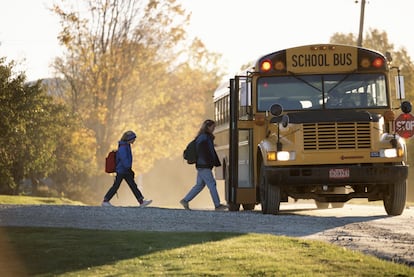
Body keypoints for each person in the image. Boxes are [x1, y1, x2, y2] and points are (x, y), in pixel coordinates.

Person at [180, 119, 228, 211]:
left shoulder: (202, 137)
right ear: (208, 127)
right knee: (212, 184)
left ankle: (185, 200)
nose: (214, 129)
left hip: (201, 164)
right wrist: (210, 161)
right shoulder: (205, 137)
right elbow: (204, 151)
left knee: (200, 185)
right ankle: (217, 205)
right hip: (204, 165)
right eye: (213, 127)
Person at [102, 131, 152, 208]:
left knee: (132, 185)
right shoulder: (123, 147)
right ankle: (105, 201)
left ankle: (141, 201)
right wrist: (129, 169)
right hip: (122, 170)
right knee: (116, 186)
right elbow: (124, 159)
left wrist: (128, 169)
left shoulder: (126, 146)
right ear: (129, 139)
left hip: (125, 170)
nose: (134, 140)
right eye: (133, 139)